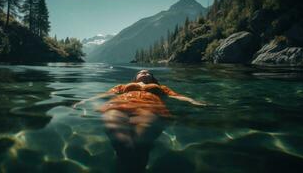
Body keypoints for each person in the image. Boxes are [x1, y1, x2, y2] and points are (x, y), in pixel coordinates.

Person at [73, 69, 205, 173]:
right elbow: (106, 95)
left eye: (148, 72)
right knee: (122, 140)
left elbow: (177, 96)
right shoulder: (122, 86)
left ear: (152, 78)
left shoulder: (162, 88)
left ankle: (128, 167)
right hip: (117, 106)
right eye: (141, 72)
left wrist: (192, 101)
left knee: (140, 142)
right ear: (135, 77)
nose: (145, 73)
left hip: (149, 108)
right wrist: (86, 101)